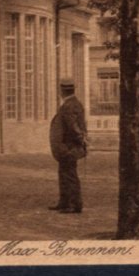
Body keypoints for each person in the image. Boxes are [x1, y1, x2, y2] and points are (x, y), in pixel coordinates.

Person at [48, 78, 88, 214]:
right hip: (69, 146)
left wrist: (80, 140)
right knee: (65, 173)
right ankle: (65, 201)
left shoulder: (68, 106)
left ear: (62, 91)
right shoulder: (76, 104)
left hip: (69, 147)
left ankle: (73, 204)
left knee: (69, 175)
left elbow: (73, 126)